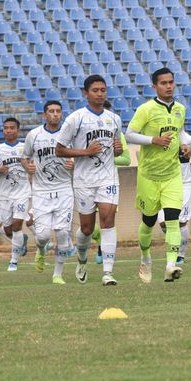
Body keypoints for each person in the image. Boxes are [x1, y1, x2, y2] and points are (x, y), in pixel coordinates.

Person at [56, 75, 124, 286]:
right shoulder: (76, 118)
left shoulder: (114, 119)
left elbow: (117, 147)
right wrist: (85, 152)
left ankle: (108, 272)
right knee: (87, 228)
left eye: (103, 89)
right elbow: (59, 150)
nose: (100, 93)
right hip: (84, 180)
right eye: (95, 90)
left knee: (108, 219)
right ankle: (82, 258)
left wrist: (117, 149)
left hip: (108, 178)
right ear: (85, 93)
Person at [126, 67, 187, 283]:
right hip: (149, 176)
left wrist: (184, 146)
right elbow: (129, 135)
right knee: (149, 221)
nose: (169, 86)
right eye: (163, 83)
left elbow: (179, 133)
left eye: (171, 82)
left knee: (173, 219)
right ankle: (145, 258)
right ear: (154, 86)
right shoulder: (146, 109)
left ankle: (171, 265)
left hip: (172, 174)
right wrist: (153, 140)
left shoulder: (180, 109)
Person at [22, 100, 75, 284]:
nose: (55, 114)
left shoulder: (69, 135)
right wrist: (28, 167)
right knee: (43, 235)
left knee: (62, 234)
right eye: (51, 111)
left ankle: (57, 274)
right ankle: (41, 249)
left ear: (61, 114)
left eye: (58, 111)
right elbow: (25, 157)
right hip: (41, 192)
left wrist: (73, 163)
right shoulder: (34, 135)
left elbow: (78, 157)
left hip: (64, 190)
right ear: (44, 115)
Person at [156, 131, 191, 265]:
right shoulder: (160, 136)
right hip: (164, 183)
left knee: (180, 221)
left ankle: (180, 254)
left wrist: (190, 166)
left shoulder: (187, 139)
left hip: (183, 183)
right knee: (163, 222)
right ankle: (174, 246)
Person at [90, 100, 131, 265]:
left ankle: (103, 251)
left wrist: (108, 160)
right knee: (90, 228)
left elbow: (127, 159)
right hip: (88, 182)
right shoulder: (87, 132)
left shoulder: (118, 135)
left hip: (108, 183)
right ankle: (99, 242)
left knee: (107, 220)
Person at [0, 117, 30, 271]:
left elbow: (33, 165)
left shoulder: (25, 148)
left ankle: (13, 261)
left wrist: (29, 167)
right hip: (5, 195)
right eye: (5, 128)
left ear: (17, 130)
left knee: (17, 225)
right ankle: (22, 241)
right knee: (8, 229)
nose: (8, 130)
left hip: (22, 193)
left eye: (12, 128)